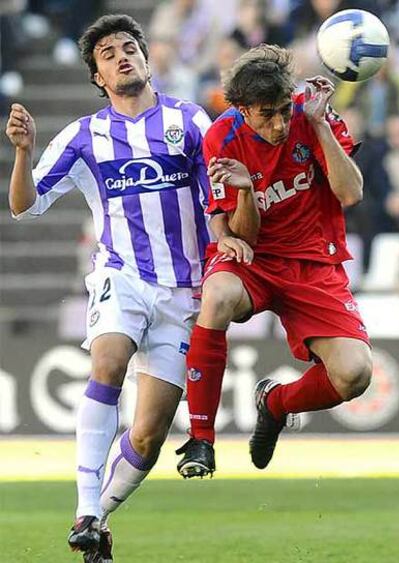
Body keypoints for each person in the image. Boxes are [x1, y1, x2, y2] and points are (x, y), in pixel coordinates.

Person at [6, 13, 216, 562]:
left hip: (184, 292)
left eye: (129, 48)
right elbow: (26, 207)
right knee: (108, 364)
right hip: (120, 275)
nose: (122, 57)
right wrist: (24, 154)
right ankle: (86, 509)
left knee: (147, 437)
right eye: (108, 54)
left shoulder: (191, 121)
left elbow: (217, 200)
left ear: (146, 58)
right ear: (98, 76)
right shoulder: (83, 135)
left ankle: (97, 522)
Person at [176, 44, 373, 479]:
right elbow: (240, 236)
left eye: (285, 109)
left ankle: (275, 403)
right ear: (242, 109)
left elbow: (351, 193)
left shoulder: (311, 113)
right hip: (254, 258)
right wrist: (246, 192)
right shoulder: (221, 137)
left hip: (313, 262)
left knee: (355, 375)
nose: (281, 124)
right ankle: (201, 439)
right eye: (267, 114)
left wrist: (319, 125)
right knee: (219, 294)